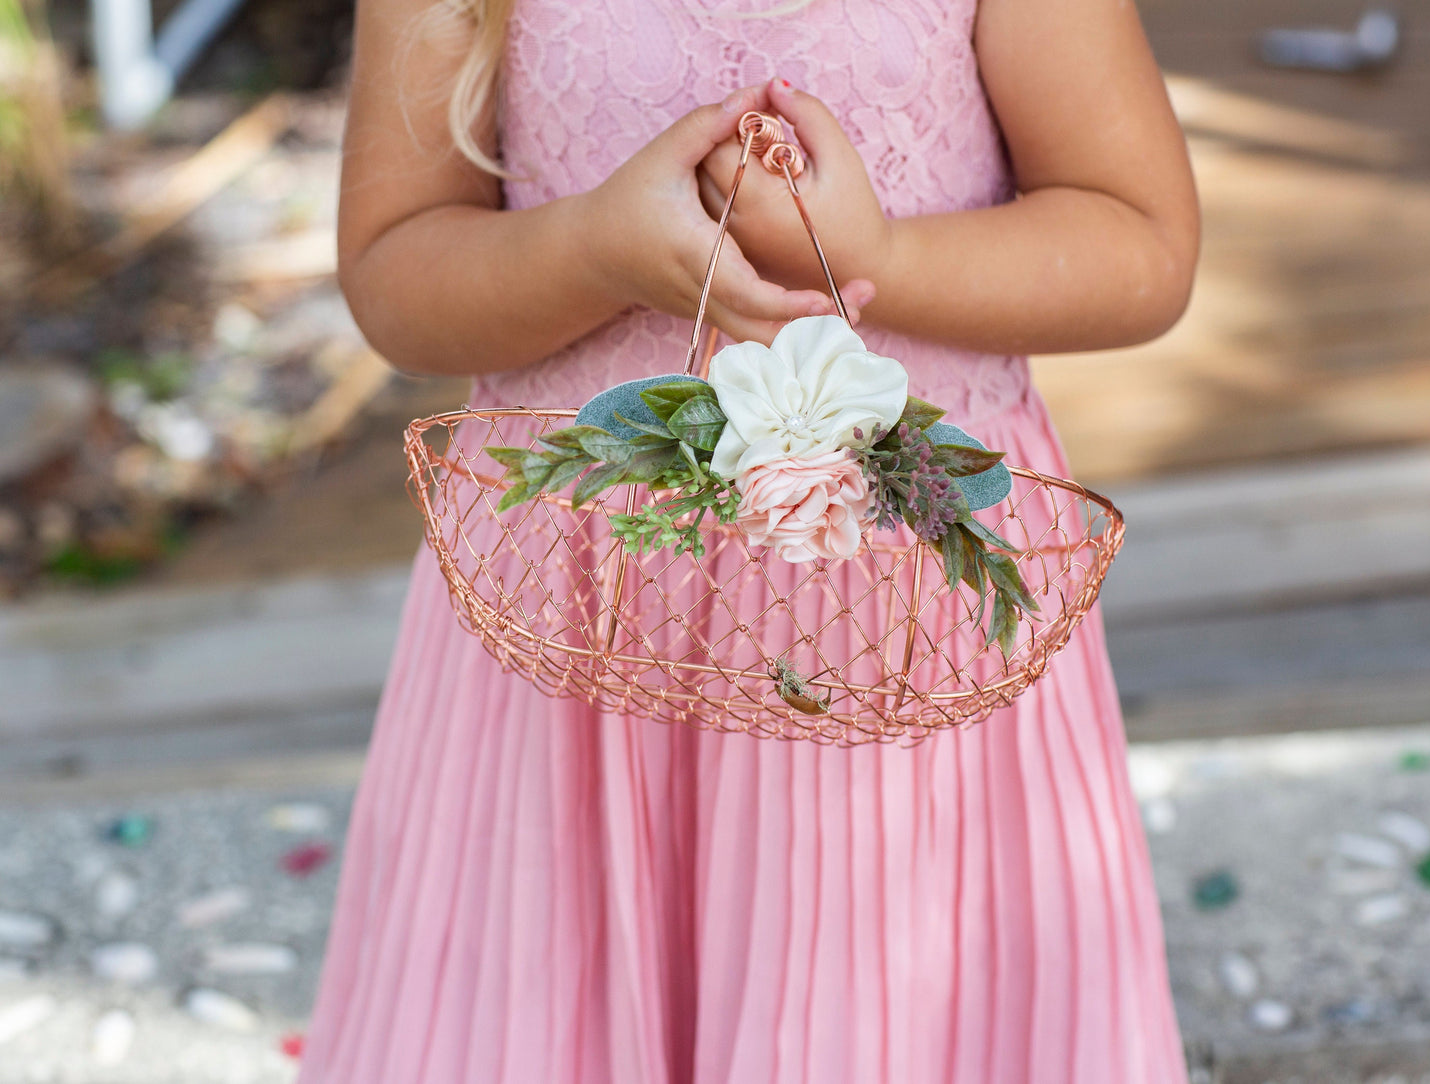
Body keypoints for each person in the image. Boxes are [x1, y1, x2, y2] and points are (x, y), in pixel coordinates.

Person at [297, 0, 1200, 1080]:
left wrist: (876, 256)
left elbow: (1138, 242)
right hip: (569, 629)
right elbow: (399, 275)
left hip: (895, 632)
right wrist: (591, 249)